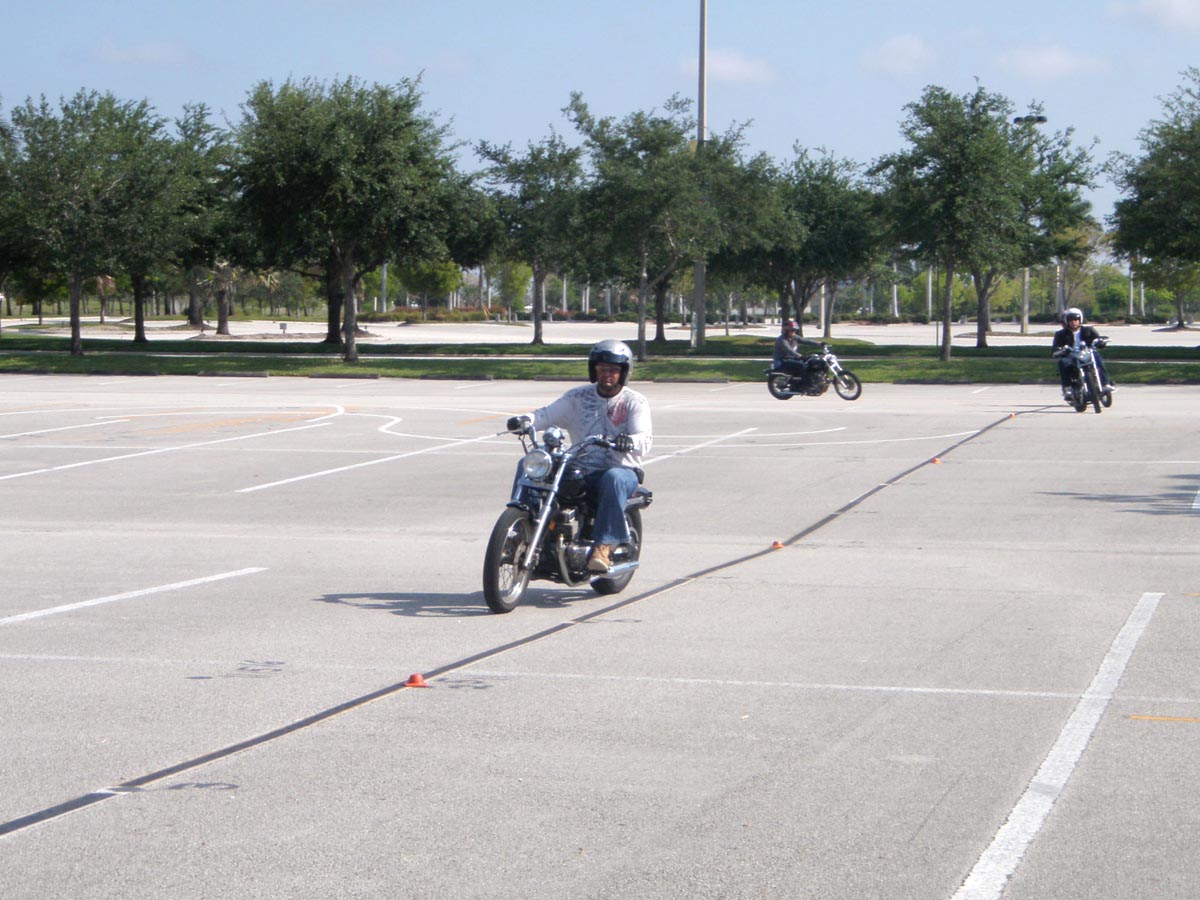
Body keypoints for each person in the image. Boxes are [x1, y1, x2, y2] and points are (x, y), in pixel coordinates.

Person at [506, 340, 652, 573]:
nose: (607, 374)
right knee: (529, 464)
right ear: (594, 370)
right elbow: (547, 414)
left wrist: (629, 441)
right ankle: (520, 528)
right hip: (581, 466)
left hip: (622, 468)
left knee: (613, 478)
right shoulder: (578, 397)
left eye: (613, 370)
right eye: (602, 369)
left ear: (624, 372)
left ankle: (604, 546)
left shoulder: (635, 402)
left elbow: (645, 438)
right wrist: (526, 420)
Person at [1052, 307, 1113, 401]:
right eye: (1071, 320)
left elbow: (1097, 339)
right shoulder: (1061, 334)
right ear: (1067, 321)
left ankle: (1106, 384)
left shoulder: (1088, 330)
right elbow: (1055, 348)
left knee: (1097, 358)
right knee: (1063, 362)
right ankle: (1067, 388)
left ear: (1080, 319)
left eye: (1076, 320)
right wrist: (1060, 350)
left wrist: (1101, 342)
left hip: (1087, 353)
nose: (1074, 322)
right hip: (1071, 355)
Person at [772, 319, 822, 388]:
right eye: (792, 330)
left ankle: (811, 380)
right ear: (786, 331)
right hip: (782, 360)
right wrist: (801, 356)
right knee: (802, 365)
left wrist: (819, 343)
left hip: (791, 359)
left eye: (795, 330)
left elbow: (805, 341)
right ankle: (805, 385)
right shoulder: (782, 340)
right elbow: (789, 350)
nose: (794, 332)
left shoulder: (794, 337)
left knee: (810, 363)